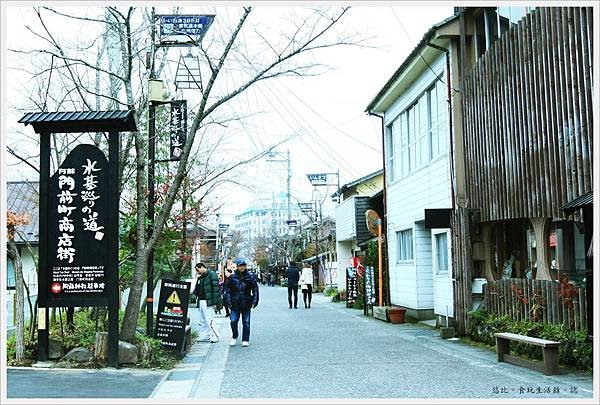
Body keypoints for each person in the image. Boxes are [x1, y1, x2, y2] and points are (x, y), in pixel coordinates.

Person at [223, 259, 259, 347]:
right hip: (234, 302)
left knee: (246, 322)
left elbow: (255, 289)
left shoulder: (250, 277)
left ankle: (245, 339)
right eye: (240, 265)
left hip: (246, 301)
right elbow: (227, 290)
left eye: (244, 265)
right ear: (237, 267)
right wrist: (228, 302)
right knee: (233, 321)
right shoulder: (232, 277)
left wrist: (255, 301)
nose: (242, 267)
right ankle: (235, 335)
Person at [192, 263, 222, 343]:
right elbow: (197, 289)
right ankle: (205, 336)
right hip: (201, 300)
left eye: (197, 270)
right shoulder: (201, 277)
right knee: (202, 320)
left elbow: (216, 289)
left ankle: (214, 336)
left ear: (202, 267)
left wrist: (215, 303)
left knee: (209, 320)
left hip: (208, 301)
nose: (197, 272)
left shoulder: (212, 274)